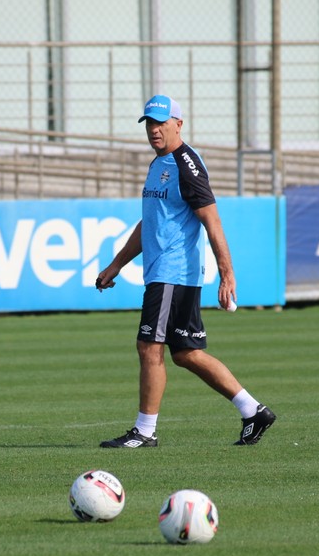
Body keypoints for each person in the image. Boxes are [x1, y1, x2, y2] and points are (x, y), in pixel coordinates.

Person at [95, 94, 276, 448]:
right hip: (168, 273)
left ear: (179, 124)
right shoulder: (159, 164)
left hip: (172, 273)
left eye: (161, 122)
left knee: (149, 347)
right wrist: (117, 264)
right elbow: (149, 223)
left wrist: (227, 274)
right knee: (186, 353)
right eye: (149, 122)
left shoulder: (185, 164)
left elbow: (212, 220)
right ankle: (253, 411)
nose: (154, 129)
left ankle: (144, 432)